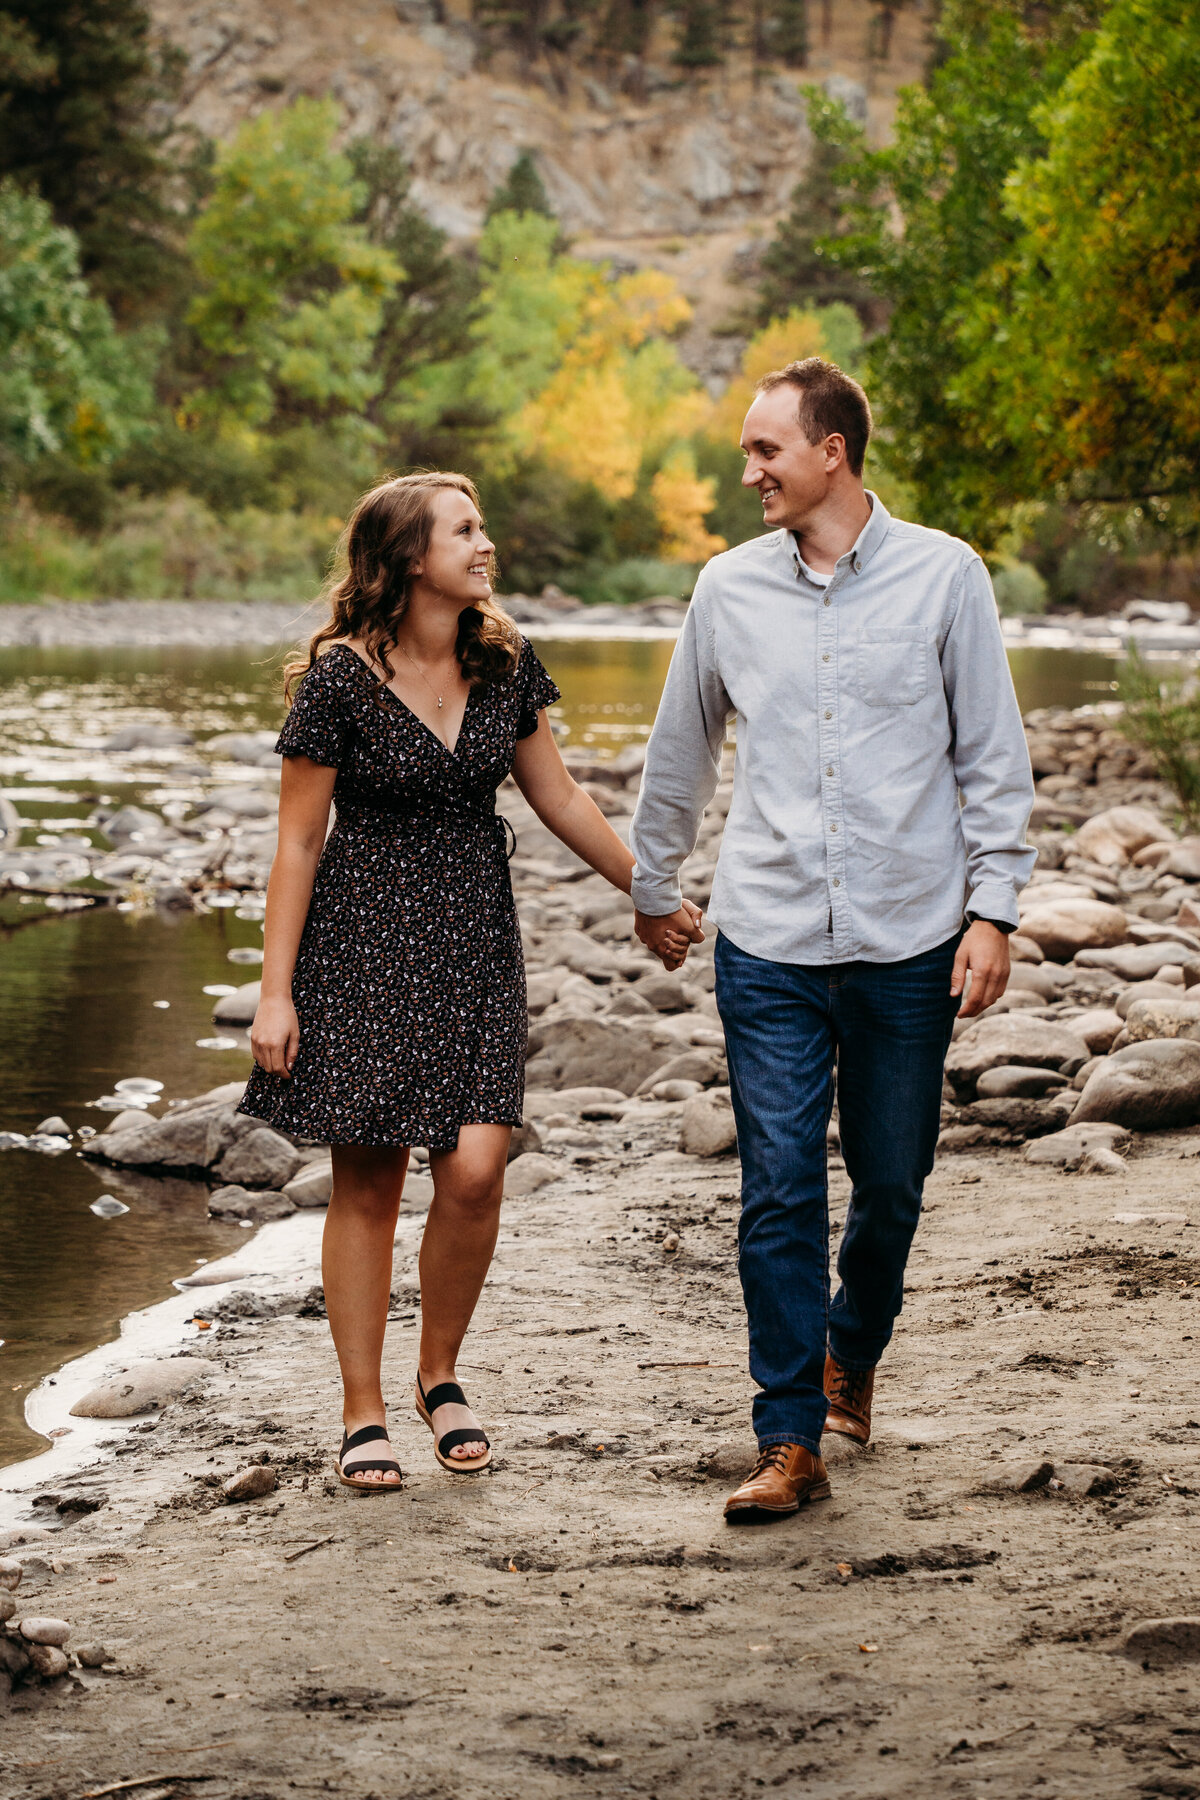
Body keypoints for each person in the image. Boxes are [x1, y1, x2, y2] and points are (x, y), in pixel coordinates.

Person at [629, 359, 1035, 1524]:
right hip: (766, 937)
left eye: (765, 450)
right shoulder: (726, 590)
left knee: (894, 1184)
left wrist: (994, 908)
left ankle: (852, 1349)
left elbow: (991, 758)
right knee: (778, 1190)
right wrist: (656, 884)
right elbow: (682, 750)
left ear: (832, 453)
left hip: (910, 937)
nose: (747, 469)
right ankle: (788, 1436)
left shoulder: (946, 578)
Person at [239, 472, 702, 1491]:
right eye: (466, 530)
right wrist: (276, 992)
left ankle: (437, 1375)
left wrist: (651, 891)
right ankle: (363, 1408)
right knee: (368, 1183)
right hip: (360, 944)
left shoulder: (504, 661)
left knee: (478, 1167)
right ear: (410, 558)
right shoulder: (338, 682)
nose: (485, 545)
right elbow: (298, 840)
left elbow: (559, 794)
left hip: (474, 944)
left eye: (482, 527)